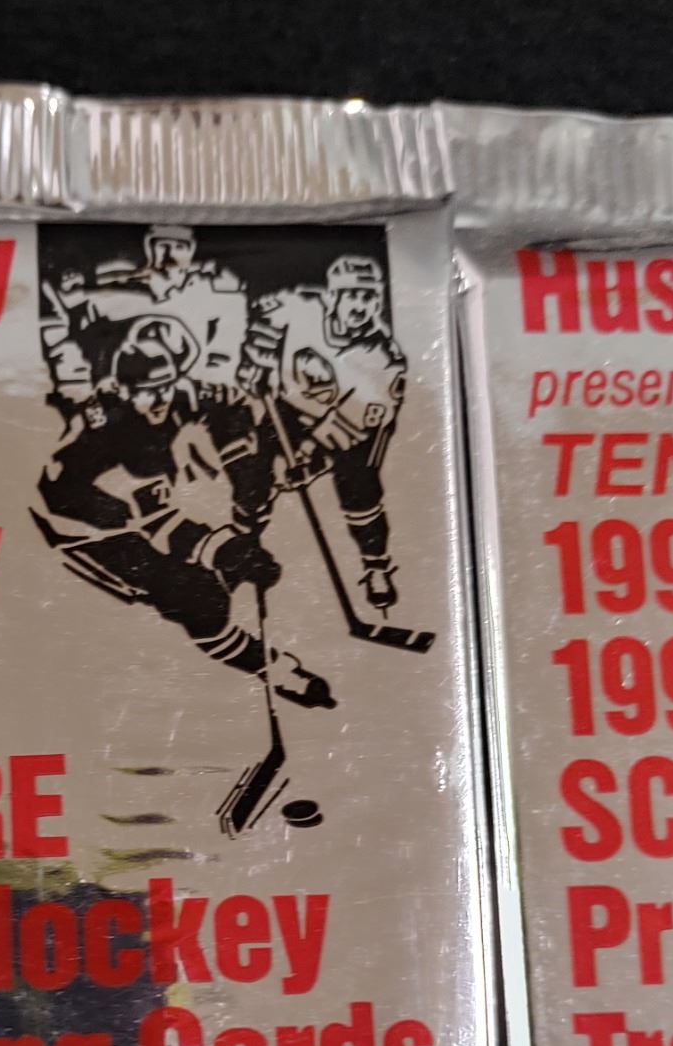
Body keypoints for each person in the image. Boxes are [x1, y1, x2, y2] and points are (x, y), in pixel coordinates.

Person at [33, 315, 333, 707]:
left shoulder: (177, 396)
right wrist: (217, 548)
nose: (159, 399)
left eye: (166, 386)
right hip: (83, 527)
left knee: (232, 560)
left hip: (146, 510)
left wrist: (255, 479)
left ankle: (228, 581)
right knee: (196, 597)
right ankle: (269, 667)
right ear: (122, 386)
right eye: (147, 391)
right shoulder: (104, 429)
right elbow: (139, 516)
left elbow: (228, 413)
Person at [241, 254, 407, 611]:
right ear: (332, 297)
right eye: (351, 295)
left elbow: (358, 425)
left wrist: (311, 459)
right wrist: (253, 358)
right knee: (254, 467)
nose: (360, 305)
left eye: (368, 297)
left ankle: (376, 565)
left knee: (359, 488)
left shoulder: (384, 358)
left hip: (355, 425)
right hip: (291, 405)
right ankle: (244, 540)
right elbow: (251, 319)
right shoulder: (297, 306)